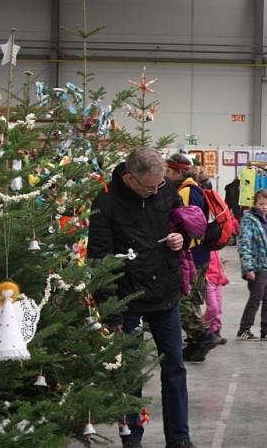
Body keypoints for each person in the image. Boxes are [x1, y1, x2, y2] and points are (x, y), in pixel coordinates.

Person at [88, 147, 196, 448]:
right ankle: (131, 439)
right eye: (149, 186)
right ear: (129, 178)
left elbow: (181, 225)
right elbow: (99, 259)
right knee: (130, 373)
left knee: (174, 366)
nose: (155, 190)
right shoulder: (106, 202)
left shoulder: (165, 190)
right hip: (127, 299)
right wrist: (111, 313)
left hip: (166, 294)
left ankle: (179, 437)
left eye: (159, 185)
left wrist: (181, 239)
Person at [165, 153, 220, 360]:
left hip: (192, 254)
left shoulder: (186, 191)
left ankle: (203, 336)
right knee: (193, 299)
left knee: (183, 300)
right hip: (201, 252)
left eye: (169, 171)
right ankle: (197, 348)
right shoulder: (196, 187)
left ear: (178, 172)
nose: (166, 175)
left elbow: (186, 224)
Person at [236, 189, 267, 341]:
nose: (264, 207)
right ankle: (244, 328)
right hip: (257, 266)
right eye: (261, 204)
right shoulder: (249, 220)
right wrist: (248, 267)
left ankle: (266, 329)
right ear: (255, 204)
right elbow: (244, 244)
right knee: (256, 298)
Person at [196, 174, 230, 344]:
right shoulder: (202, 230)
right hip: (208, 276)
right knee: (213, 307)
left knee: (219, 308)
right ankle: (200, 328)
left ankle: (215, 330)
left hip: (217, 276)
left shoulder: (214, 230)